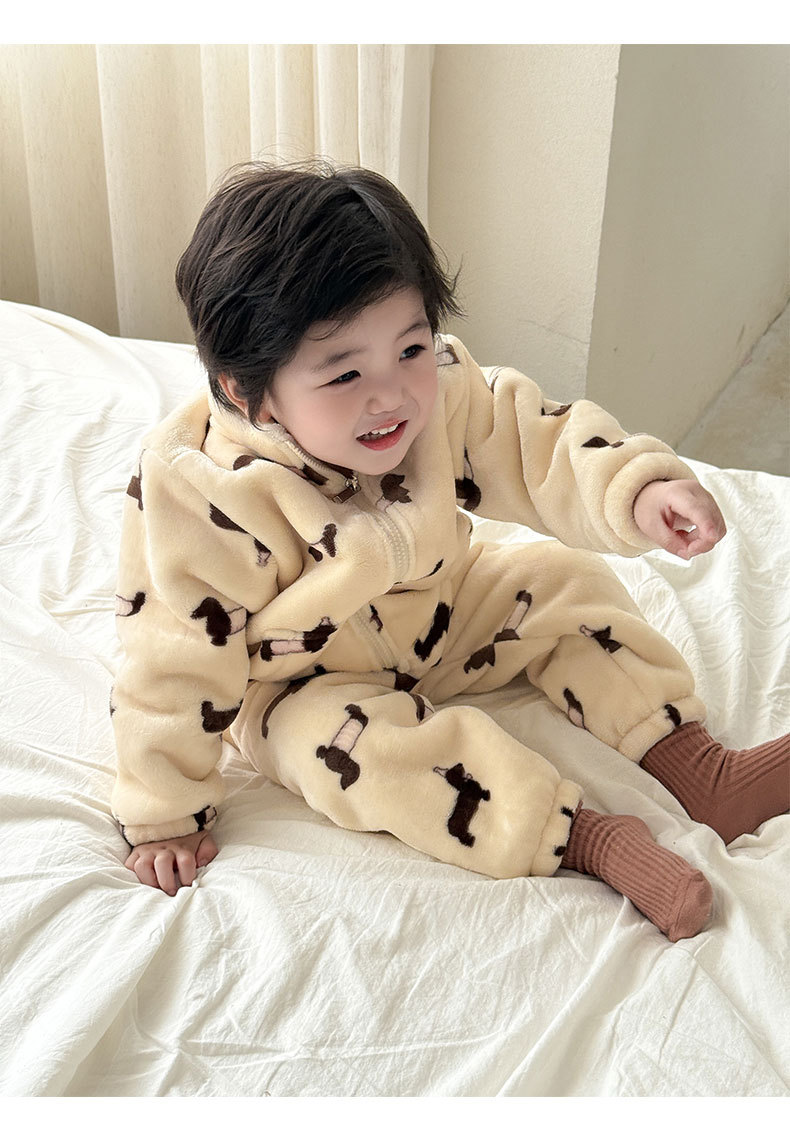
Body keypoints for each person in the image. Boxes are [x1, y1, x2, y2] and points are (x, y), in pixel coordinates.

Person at [111, 161, 788, 941]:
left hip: (442, 609)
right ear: (245, 390)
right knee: (362, 757)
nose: (392, 394)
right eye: (345, 373)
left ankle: (698, 770)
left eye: (410, 347)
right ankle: (587, 838)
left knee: (561, 579)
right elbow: (170, 659)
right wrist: (164, 812)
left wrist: (636, 492)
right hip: (300, 679)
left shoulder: (439, 391)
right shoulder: (201, 491)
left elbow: (536, 442)